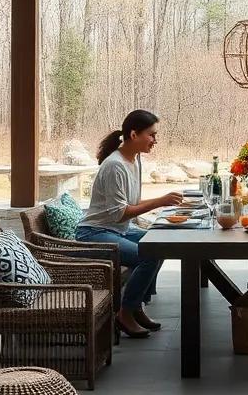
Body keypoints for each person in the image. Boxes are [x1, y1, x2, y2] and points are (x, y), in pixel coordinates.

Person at [76, 110, 183, 339]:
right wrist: (160, 201)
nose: (155, 140)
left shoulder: (134, 160)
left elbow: (129, 204)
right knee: (149, 255)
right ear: (134, 134)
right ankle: (125, 314)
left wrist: (161, 203)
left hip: (117, 230)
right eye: (152, 135)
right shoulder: (115, 165)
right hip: (93, 234)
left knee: (159, 245)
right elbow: (119, 214)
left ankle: (136, 306)